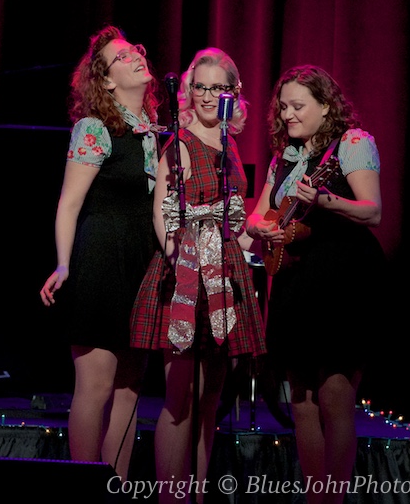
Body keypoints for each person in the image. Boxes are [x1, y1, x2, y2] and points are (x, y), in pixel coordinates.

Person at [130, 47, 267, 503]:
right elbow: (162, 213)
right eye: (200, 87)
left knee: (211, 401)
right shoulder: (180, 143)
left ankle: (197, 495)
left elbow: (231, 216)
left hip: (224, 274)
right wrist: (182, 266)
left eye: (218, 88)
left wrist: (248, 243)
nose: (207, 96)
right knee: (181, 401)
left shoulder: (229, 144)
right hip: (187, 273)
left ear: (234, 92)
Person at [245, 65, 386, 504]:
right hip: (295, 279)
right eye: (283, 106)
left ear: (326, 106)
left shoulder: (352, 143)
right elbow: (258, 214)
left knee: (334, 394)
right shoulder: (284, 157)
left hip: (342, 277)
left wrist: (325, 199)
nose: (287, 114)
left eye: (298, 106)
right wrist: (260, 228)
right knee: (301, 399)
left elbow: (372, 210)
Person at [39, 24, 162, 479]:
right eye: (122, 56)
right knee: (96, 386)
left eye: (136, 49)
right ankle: (83, 488)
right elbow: (69, 203)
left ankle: (117, 488)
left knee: (130, 389)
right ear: (106, 80)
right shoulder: (95, 128)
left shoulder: (154, 132)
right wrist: (63, 263)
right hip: (101, 260)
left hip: (142, 264)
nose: (136, 56)